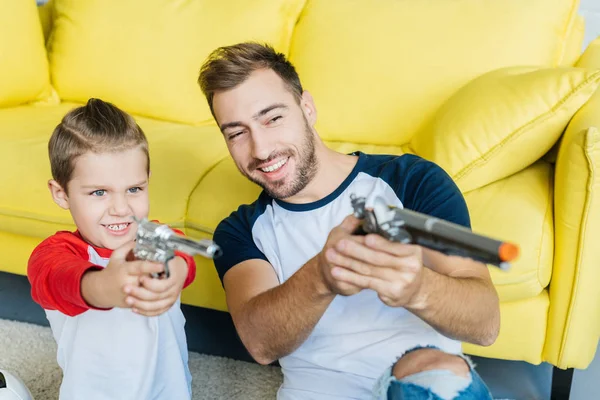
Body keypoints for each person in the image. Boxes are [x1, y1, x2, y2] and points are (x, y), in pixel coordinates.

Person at [198, 42, 501, 400]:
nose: (261, 149)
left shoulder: (412, 181)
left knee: (440, 373)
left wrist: (417, 288)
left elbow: (485, 324)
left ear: (306, 108)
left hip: (423, 383)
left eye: (273, 118)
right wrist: (322, 274)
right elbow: (262, 344)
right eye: (236, 133)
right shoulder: (240, 231)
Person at [27, 98, 196, 400]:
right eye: (99, 192)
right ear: (61, 194)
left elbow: (181, 255)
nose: (121, 208)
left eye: (134, 189)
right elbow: (60, 278)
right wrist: (106, 285)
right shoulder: (53, 254)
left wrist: (176, 271)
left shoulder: (155, 236)